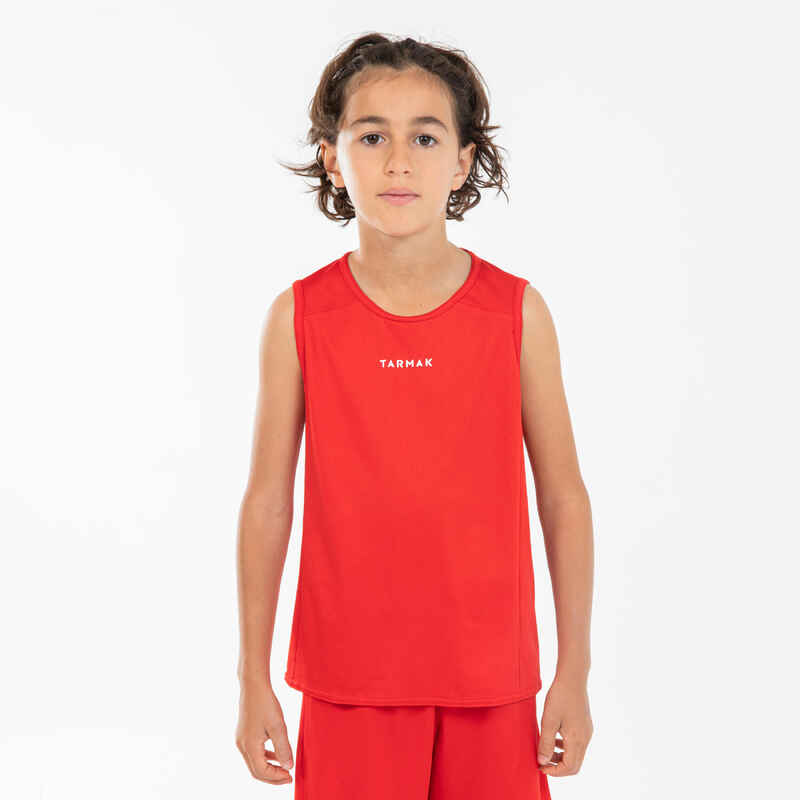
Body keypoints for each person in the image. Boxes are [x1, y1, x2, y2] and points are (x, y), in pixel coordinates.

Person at [235, 32, 594, 798]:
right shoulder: (299, 318)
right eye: (372, 137)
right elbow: (268, 503)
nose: (398, 161)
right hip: (346, 682)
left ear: (462, 161)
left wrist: (575, 670)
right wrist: (252, 679)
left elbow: (563, 497)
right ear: (334, 158)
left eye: (425, 138)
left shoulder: (516, 314)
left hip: (493, 682)